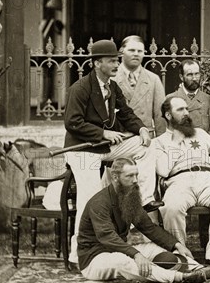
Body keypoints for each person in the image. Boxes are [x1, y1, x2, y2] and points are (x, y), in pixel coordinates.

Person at [63, 39, 157, 266]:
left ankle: (143, 200)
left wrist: (141, 128)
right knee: (90, 197)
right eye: (111, 60)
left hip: (105, 148)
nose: (117, 64)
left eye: (117, 60)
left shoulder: (113, 87)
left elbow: (126, 114)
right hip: (83, 150)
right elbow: (72, 122)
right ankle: (78, 253)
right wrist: (102, 134)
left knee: (146, 145)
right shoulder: (80, 88)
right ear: (97, 63)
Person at [78, 158, 210, 283]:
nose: (135, 180)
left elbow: (149, 228)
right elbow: (108, 237)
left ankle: (200, 269)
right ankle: (179, 277)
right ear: (115, 177)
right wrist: (136, 255)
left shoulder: (128, 197)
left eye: (136, 175)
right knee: (124, 261)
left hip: (119, 250)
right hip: (94, 260)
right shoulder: (99, 203)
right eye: (129, 176)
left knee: (160, 250)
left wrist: (176, 244)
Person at [153, 96, 210, 264]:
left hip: (207, 177)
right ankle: (182, 256)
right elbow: (163, 170)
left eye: (186, 109)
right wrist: (175, 142)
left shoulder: (200, 134)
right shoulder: (159, 142)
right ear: (168, 116)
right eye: (180, 110)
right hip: (178, 180)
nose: (186, 113)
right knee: (171, 208)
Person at [112, 35, 167, 137]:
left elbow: (160, 116)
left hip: (145, 139)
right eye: (132, 50)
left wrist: (160, 143)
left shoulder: (153, 79)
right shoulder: (111, 79)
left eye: (140, 51)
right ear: (121, 51)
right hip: (120, 138)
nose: (136, 54)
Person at [171, 59, 210, 141]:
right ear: (181, 77)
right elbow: (166, 128)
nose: (194, 78)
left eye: (197, 74)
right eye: (190, 75)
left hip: (203, 147)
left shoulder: (208, 99)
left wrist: (205, 145)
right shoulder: (172, 98)